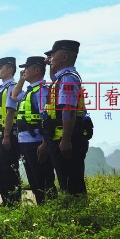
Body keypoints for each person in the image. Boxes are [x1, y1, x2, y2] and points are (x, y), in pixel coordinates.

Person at [42, 40, 89, 196]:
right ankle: (72, 214)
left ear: (63, 57)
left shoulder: (68, 78)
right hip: (60, 137)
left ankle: (78, 216)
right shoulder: (61, 78)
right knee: (65, 182)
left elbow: (69, 109)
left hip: (69, 139)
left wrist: (66, 139)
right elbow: (53, 77)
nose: (50, 58)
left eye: (53, 55)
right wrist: (50, 65)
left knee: (72, 184)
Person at [11, 56, 57, 205]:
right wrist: (22, 79)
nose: (24, 71)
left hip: (37, 143)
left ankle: (49, 212)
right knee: (34, 181)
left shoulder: (42, 91)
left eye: (27, 68)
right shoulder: (29, 91)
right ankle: (42, 210)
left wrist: (45, 143)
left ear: (37, 70)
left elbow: (48, 119)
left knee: (43, 181)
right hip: (25, 142)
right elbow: (14, 95)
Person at [0, 57, 21, 206]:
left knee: (9, 169)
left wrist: (6, 135)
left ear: (10, 69)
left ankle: (13, 202)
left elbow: (10, 112)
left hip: (6, 134)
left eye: (1, 68)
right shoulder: (3, 87)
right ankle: (6, 201)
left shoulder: (12, 87)